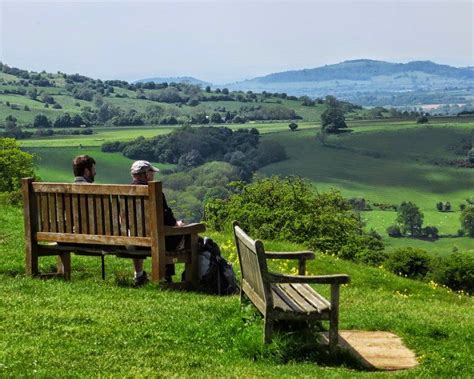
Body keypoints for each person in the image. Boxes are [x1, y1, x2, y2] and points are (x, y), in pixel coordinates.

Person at [130, 160, 184, 286]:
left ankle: (138, 276)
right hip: (155, 239)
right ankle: (166, 277)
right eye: (152, 172)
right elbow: (167, 220)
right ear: (146, 174)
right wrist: (178, 224)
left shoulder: (125, 191)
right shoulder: (155, 191)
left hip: (133, 240)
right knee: (172, 234)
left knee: (164, 234)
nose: (153, 175)